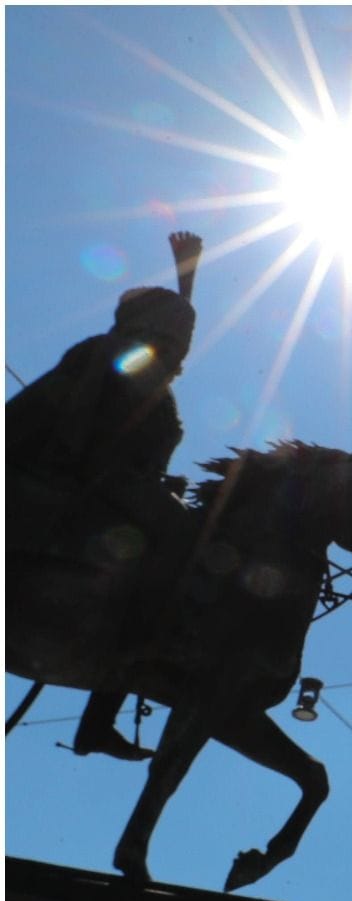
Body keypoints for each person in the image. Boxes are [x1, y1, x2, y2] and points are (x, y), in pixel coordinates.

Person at [6, 231, 203, 760]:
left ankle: (107, 701)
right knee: (186, 540)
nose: (183, 355)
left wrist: (188, 280)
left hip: (104, 480)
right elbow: (85, 430)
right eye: (178, 343)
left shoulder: (138, 363)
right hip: (80, 480)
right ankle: (130, 667)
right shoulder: (122, 356)